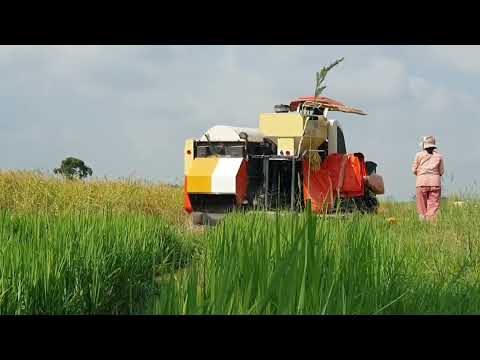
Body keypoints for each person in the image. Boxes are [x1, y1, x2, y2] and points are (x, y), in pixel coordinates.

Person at [412, 136, 445, 222]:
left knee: (421, 207)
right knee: (433, 206)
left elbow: (414, 170)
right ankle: (432, 225)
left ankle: (423, 224)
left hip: (421, 182)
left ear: (424, 145)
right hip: (435, 183)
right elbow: (441, 172)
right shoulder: (439, 156)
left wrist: (420, 174)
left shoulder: (418, 155)